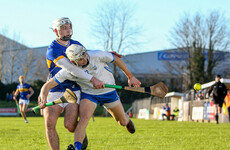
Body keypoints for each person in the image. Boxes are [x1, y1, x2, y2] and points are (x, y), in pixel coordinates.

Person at [39, 44, 141, 150]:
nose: (84, 59)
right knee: (83, 119)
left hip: (109, 92)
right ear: (73, 62)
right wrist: (43, 97)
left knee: (122, 122)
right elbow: (48, 85)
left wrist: (130, 76)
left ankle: (127, 119)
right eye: (80, 59)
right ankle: (78, 148)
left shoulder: (97, 55)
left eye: (84, 55)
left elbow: (116, 59)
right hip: (89, 94)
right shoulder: (69, 71)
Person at [43, 17, 121, 150]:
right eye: (64, 28)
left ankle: (81, 136)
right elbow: (71, 68)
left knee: (70, 126)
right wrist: (92, 79)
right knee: (49, 124)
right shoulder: (53, 50)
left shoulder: (76, 43)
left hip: (74, 89)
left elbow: (87, 57)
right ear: (56, 31)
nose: (68, 30)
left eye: (69, 27)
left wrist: (106, 54)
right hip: (55, 89)